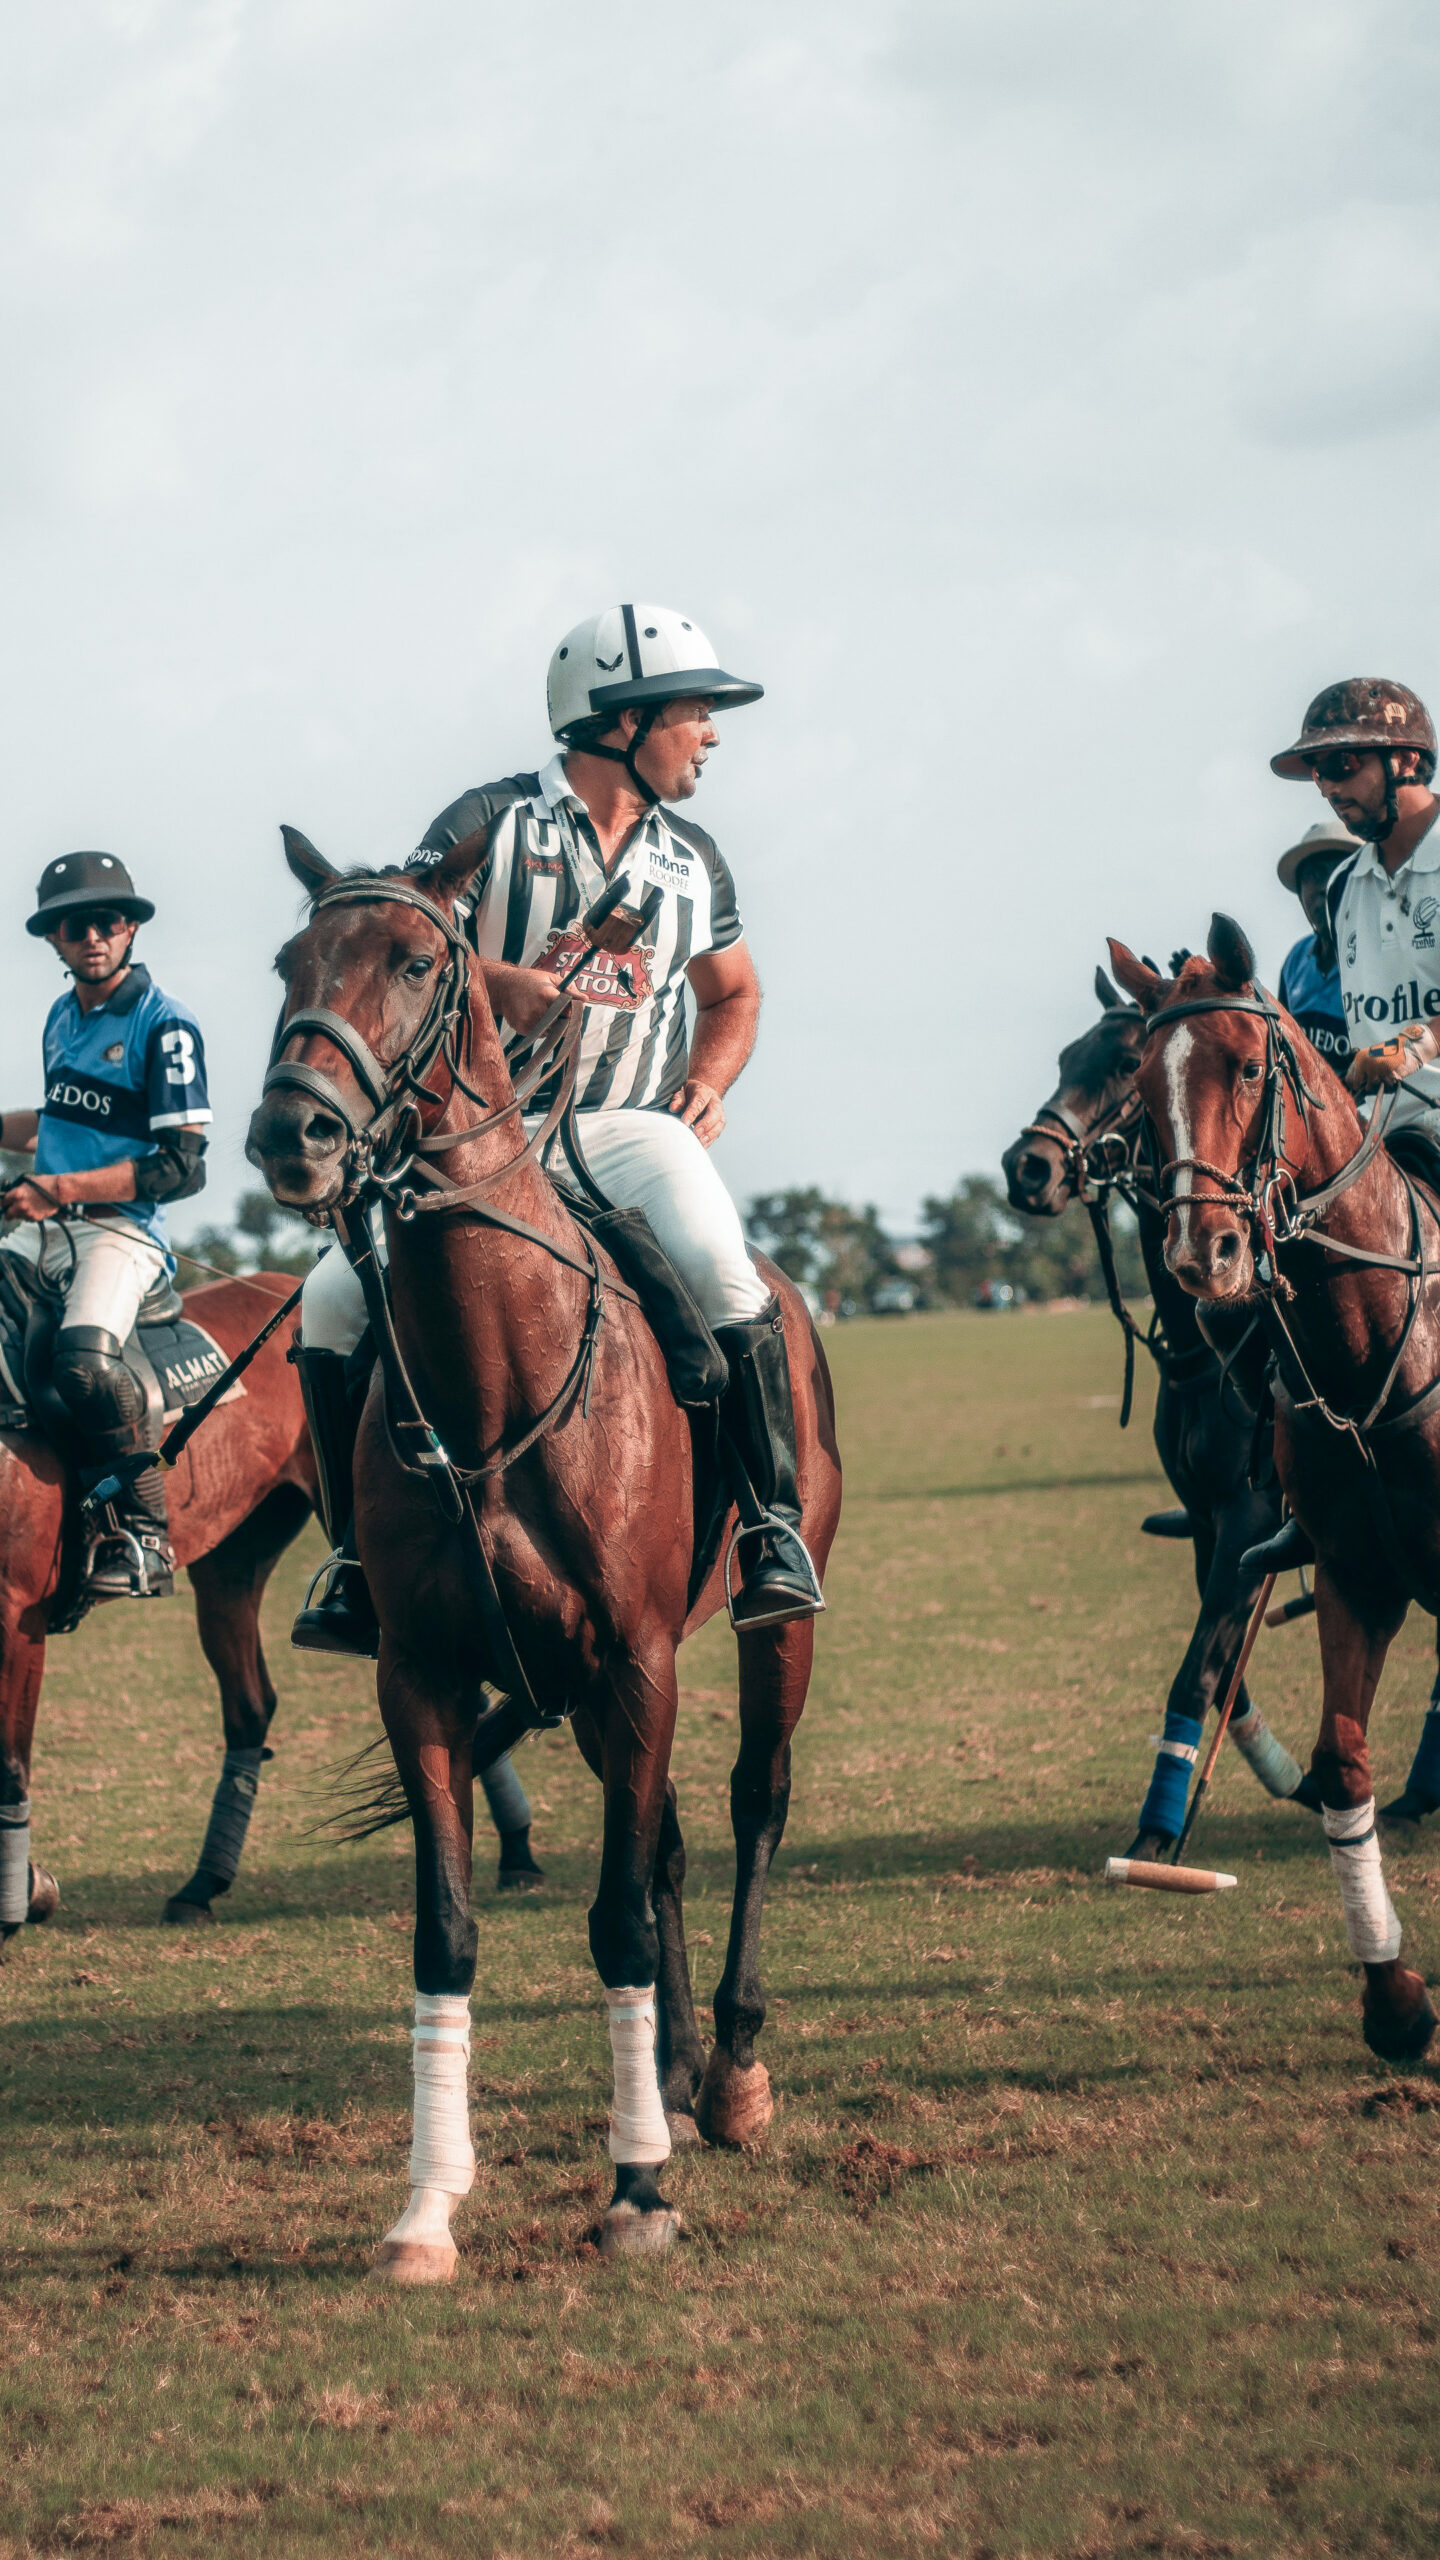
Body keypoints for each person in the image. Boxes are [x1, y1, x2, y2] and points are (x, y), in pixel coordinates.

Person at [290, 602, 826, 1657]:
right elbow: (393, 935)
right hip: (483, 1138)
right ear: (619, 721)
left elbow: (737, 993)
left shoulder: (695, 860)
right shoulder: (491, 819)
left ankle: (768, 1530)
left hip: (629, 1125)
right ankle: (357, 1558)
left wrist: (711, 1081)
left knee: (729, 1274)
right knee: (329, 1299)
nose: (710, 733)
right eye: (693, 711)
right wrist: (500, 983)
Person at [0, 853, 210, 1596]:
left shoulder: (166, 1024)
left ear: (129, 929)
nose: (92, 935)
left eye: (107, 921)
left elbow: (183, 1166)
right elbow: (56, 1121)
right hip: (47, 1226)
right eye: (73, 925)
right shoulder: (62, 1018)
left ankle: (141, 1535)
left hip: (120, 1234)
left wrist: (59, 1189)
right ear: (53, 941)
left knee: (84, 1364)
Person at [1275, 816, 1358, 1070]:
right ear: (1300, 892)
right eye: (1313, 876)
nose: (1323, 887)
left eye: (1335, 872)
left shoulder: (1382, 955)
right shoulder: (1296, 960)